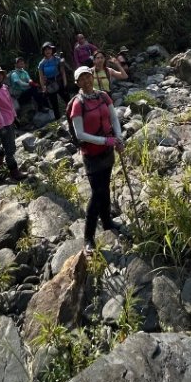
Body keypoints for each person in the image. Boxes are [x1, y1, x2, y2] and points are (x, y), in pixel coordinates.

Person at [69, 65, 124, 255]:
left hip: (107, 151)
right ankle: (88, 237)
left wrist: (118, 138)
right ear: (77, 83)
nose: (85, 81)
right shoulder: (78, 103)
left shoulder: (103, 96)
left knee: (105, 187)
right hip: (91, 154)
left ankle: (108, 222)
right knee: (96, 193)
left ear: (92, 77)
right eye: (81, 79)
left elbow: (114, 117)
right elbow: (80, 134)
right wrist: (105, 140)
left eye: (87, 77)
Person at [0, 65, 25, 180]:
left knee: (7, 143)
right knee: (10, 148)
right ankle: (14, 172)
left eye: (0, 74)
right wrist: (1, 127)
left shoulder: (4, 87)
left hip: (10, 120)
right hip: (2, 123)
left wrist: (15, 117)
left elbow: (10, 104)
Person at [38, 42, 67, 119]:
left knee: (67, 99)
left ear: (52, 50)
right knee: (54, 104)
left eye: (49, 49)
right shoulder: (41, 63)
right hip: (49, 84)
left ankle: (73, 115)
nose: (48, 51)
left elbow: (62, 72)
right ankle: (59, 122)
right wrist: (43, 87)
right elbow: (40, 76)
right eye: (46, 49)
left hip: (59, 81)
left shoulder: (57, 59)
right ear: (43, 51)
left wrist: (65, 83)